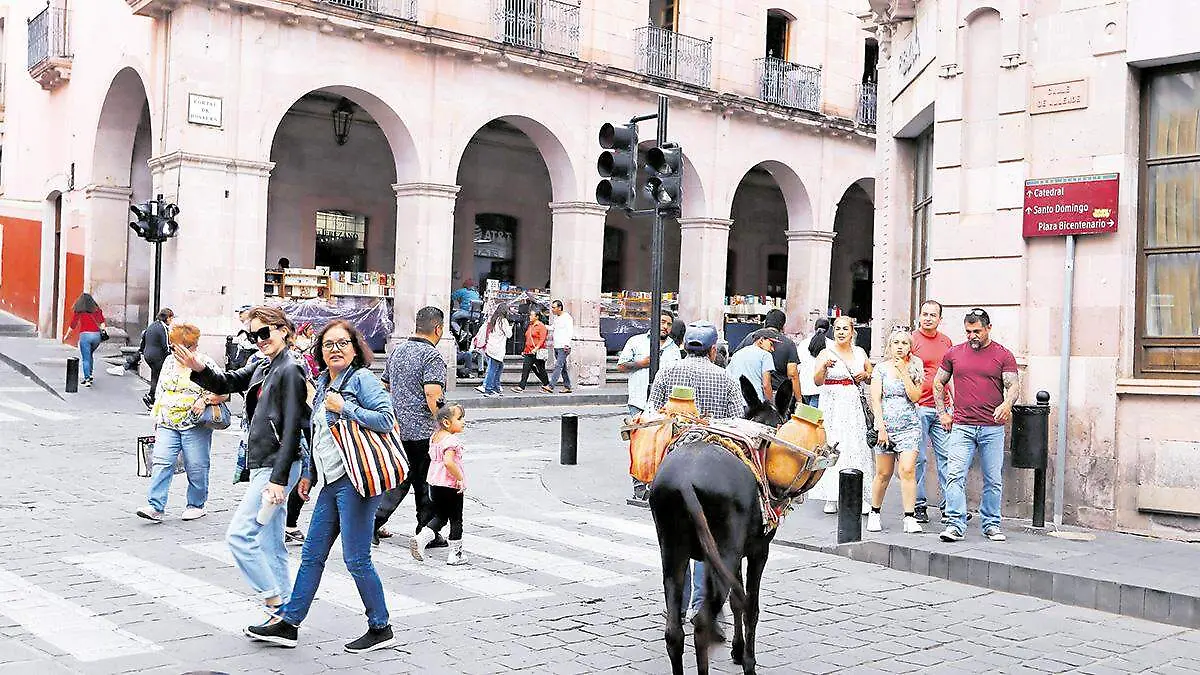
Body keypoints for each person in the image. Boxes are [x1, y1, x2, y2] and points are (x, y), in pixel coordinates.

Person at [245, 320, 397, 653]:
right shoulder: (323, 383)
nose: (335, 349)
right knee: (312, 556)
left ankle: (380, 626)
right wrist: (309, 476)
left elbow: (387, 419)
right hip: (331, 483)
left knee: (356, 559)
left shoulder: (362, 380)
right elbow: (319, 436)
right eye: (328, 345)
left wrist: (347, 408)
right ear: (320, 352)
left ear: (355, 348)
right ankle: (290, 623)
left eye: (342, 343)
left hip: (358, 481)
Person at [175, 306, 309, 616]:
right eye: (253, 335)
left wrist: (278, 479)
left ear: (284, 331)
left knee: (239, 535)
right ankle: (284, 614)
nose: (259, 340)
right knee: (271, 543)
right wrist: (199, 367)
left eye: (265, 333)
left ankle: (273, 600)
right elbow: (226, 382)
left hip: (277, 464)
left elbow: (293, 427)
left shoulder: (290, 369)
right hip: (266, 461)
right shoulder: (264, 365)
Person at [646, 322, 747, 633]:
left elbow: (652, 413)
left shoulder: (665, 373)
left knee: (673, 539)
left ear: (683, 346)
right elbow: (738, 420)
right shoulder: (725, 377)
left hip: (672, 461)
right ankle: (701, 605)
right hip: (714, 465)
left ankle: (677, 601)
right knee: (710, 536)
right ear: (714, 350)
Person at [935, 308, 1019, 543]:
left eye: (977, 331)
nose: (972, 335)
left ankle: (991, 524)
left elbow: (1013, 386)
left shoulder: (1003, 355)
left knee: (993, 479)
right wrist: (943, 413)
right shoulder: (954, 353)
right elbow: (938, 382)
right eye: (968, 331)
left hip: (992, 427)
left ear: (988, 328)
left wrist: (1007, 404)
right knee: (954, 475)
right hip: (961, 425)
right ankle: (954, 525)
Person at [136, 322, 226, 523]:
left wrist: (204, 400)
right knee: (161, 462)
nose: (173, 350)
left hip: (194, 424)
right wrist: (157, 418)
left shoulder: (204, 363)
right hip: (168, 421)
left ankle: (196, 504)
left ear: (190, 346)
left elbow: (223, 392)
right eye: (173, 346)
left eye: (177, 346)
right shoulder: (168, 362)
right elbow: (161, 391)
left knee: (196, 465)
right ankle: (155, 506)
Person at [374, 307, 447, 549]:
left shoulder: (398, 351)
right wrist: (444, 425)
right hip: (423, 432)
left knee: (400, 479)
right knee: (426, 484)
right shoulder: (432, 356)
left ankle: (373, 521)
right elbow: (433, 395)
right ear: (438, 328)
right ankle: (426, 530)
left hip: (397, 428)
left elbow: (384, 385)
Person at [808, 315, 874, 514]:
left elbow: (871, 376)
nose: (841, 332)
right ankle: (831, 495)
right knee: (833, 444)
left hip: (853, 404)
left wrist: (866, 376)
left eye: (845, 329)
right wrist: (824, 368)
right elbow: (817, 381)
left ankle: (859, 494)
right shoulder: (825, 353)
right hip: (832, 404)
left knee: (855, 445)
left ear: (852, 332)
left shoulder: (860, 353)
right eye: (837, 329)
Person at [867, 327, 925, 534]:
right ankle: (875, 512)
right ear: (890, 346)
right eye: (896, 343)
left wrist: (903, 373)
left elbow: (916, 397)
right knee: (883, 473)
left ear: (910, 346)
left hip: (909, 426)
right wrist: (880, 426)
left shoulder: (916, 366)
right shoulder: (881, 368)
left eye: (904, 343)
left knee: (908, 470)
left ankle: (909, 517)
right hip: (886, 426)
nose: (900, 347)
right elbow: (876, 398)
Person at [618, 309, 679, 501]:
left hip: (663, 407)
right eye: (662, 322)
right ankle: (638, 488)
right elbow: (621, 366)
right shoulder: (636, 342)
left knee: (660, 447)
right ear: (654, 322)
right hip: (639, 402)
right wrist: (640, 363)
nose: (665, 327)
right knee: (639, 447)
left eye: (669, 324)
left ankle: (655, 486)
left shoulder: (674, 349)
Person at [910, 300, 954, 524]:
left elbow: (951, 374)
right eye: (924, 314)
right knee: (919, 459)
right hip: (918, 407)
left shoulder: (946, 341)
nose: (928, 318)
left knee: (947, 457)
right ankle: (918, 505)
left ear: (939, 318)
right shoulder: (911, 340)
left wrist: (953, 404)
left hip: (942, 409)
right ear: (919, 316)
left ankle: (948, 507)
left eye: (932, 315)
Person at [411, 403, 469, 565]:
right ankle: (455, 554)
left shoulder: (435, 437)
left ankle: (421, 538)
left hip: (434, 484)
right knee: (456, 519)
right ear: (446, 422)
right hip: (450, 485)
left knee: (440, 516)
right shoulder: (451, 441)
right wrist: (459, 478)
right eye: (460, 418)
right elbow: (449, 462)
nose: (463, 421)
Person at [735, 309, 801, 413]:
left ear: (765, 323)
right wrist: (799, 400)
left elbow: (736, 358)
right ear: (783, 326)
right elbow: (792, 374)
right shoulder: (788, 344)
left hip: (750, 393)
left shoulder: (751, 338)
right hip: (777, 395)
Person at [726, 328, 781, 404]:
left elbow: (728, 377)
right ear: (761, 340)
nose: (772, 349)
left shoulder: (738, 353)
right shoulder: (765, 355)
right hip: (755, 404)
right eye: (771, 344)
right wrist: (771, 406)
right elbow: (766, 385)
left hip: (736, 401)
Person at [63, 293, 107, 387]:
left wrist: (67, 336)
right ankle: (90, 374)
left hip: (85, 335)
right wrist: (103, 331)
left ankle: (87, 379)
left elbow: (73, 325)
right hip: (96, 336)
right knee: (90, 354)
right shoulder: (97, 310)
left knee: (85, 358)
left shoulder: (79, 311)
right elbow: (102, 322)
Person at [139, 308, 174, 409]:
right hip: (157, 356)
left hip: (148, 355)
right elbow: (166, 345)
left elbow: (144, 338)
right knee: (159, 377)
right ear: (167, 318)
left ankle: (151, 397)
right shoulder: (163, 328)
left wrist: (141, 351)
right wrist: (170, 356)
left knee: (155, 376)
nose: (171, 321)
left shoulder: (153, 325)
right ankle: (152, 397)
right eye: (171, 318)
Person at [477, 302, 513, 397]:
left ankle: (496, 388)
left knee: (499, 367)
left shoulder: (494, 319)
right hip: (497, 349)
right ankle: (488, 389)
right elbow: (509, 334)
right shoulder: (503, 321)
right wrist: (510, 327)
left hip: (491, 347)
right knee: (493, 369)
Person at [512, 309, 551, 392]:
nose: (530, 316)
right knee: (525, 369)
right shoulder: (530, 325)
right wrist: (525, 350)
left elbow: (542, 339)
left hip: (537, 352)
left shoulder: (541, 326)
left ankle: (547, 384)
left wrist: (536, 348)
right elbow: (528, 339)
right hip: (529, 351)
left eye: (532, 315)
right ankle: (521, 387)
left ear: (537, 317)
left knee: (541, 370)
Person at [800, 315, 830, 409]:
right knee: (813, 419)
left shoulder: (803, 344)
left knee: (808, 417)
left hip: (805, 386)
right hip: (821, 388)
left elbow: (798, 366)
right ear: (828, 330)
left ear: (814, 328)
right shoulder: (832, 345)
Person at [544, 300, 574, 394]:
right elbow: (552, 328)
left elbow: (570, 332)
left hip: (564, 346)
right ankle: (567, 386)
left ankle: (551, 386)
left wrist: (567, 344)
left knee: (558, 366)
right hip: (557, 346)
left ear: (559, 308)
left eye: (554, 307)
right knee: (563, 367)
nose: (552, 309)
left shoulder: (567, 318)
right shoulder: (557, 318)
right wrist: (542, 325)